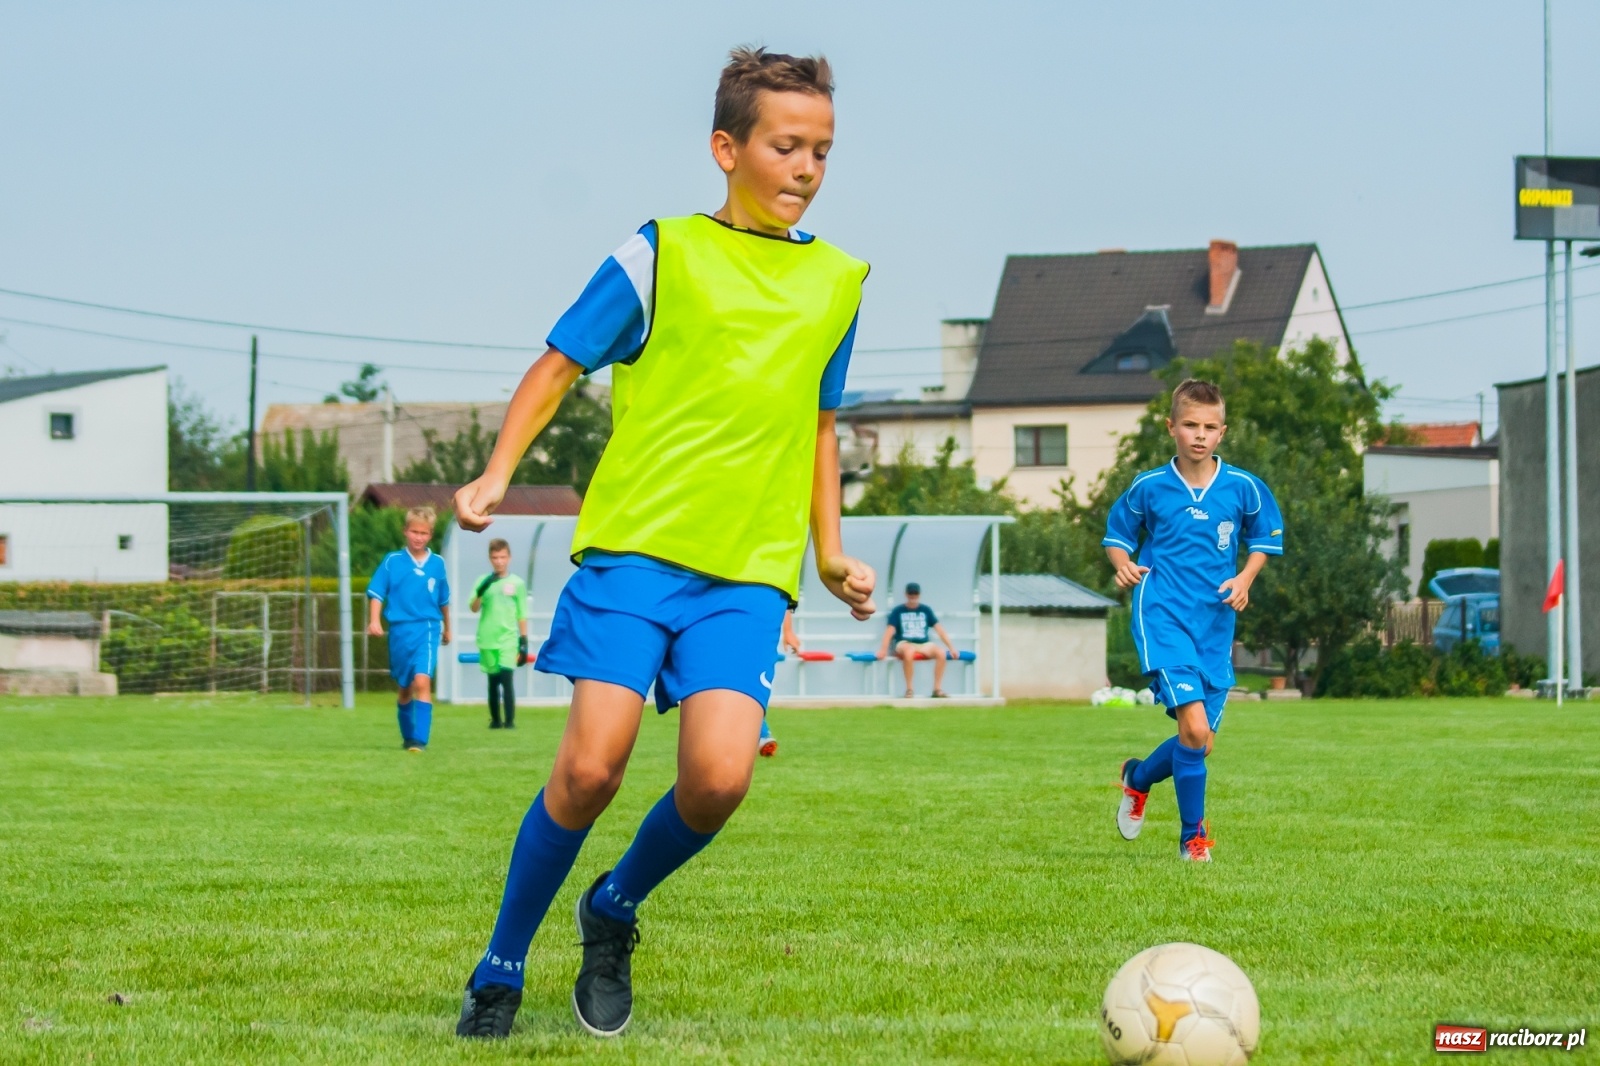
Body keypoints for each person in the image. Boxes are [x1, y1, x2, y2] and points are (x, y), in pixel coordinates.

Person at [449, 47, 876, 1041]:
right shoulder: (661, 251)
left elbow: (820, 421)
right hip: (635, 553)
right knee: (591, 767)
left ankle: (613, 907)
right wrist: (499, 472)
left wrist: (829, 551)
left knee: (720, 778)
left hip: (745, 576)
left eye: (821, 149)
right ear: (727, 148)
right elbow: (557, 364)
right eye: (785, 145)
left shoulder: (838, 282)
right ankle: (502, 963)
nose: (806, 166)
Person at [1104, 379, 1283, 862]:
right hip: (1162, 614)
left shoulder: (1244, 487)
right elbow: (1117, 535)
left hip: (1214, 624)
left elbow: (1264, 540)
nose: (1199, 435)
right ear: (1172, 428)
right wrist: (1122, 561)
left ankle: (1137, 778)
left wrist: (1245, 578)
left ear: (1222, 432)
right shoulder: (1150, 486)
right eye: (1190, 425)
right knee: (1196, 731)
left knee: (1199, 742)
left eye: (1209, 427)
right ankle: (1192, 840)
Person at [366, 506, 450, 752]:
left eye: (424, 533)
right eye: (414, 532)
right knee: (405, 688)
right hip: (401, 632)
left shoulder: (437, 564)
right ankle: (408, 736)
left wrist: (448, 627)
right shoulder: (393, 561)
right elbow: (377, 592)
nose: (418, 537)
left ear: (430, 535)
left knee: (422, 682)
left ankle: (419, 740)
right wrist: (374, 620)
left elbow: (443, 600)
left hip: (428, 628)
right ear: (405, 532)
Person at [470, 538, 529, 730]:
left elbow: (522, 613)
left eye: (503, 557)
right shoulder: (482, 581)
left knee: (507, 678)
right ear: (490, 559)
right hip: (488, 638)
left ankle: (510, 721)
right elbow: (473, 607)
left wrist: (523, 641)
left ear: (509, 558)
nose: (499, 561)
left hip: (508, 638)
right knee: (493, 681)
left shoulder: (517, 583)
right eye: (495, 557)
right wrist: (481, 589)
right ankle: (495, 720)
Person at [875, 582, 958, 698]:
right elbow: (889, 631)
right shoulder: (898, 611)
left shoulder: (926, 610)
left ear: (919, 595)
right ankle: (909, 689)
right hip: (904, 642)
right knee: (909, 652)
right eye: (911, 594)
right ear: (906, 594)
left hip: (923, 643)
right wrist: (883, 650)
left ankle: (937, 689)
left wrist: (952, 648)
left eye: (915, 594)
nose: (913, 597)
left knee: (941, 653)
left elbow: (939, 630)